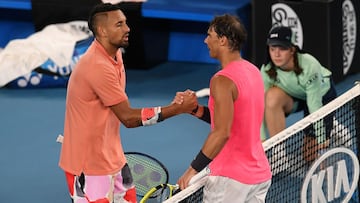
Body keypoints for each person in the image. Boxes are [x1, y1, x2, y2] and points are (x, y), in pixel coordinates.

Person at [58, 3, 197, 203]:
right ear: (102, 31)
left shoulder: (115, 55)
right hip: (87, 166)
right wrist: (177, 109)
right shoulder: (96, 66)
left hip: (113, 158)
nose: (127, 28)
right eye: (119, 25)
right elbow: (129, 118)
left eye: (126, 23)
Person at [175, 14, 272, 202]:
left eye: (209, 35)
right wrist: (196, 110)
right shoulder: (253, 70)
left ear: (222, 40)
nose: (205, 40)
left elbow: (221, 132)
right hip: (259, 175)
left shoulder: (222, 81)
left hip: (231, 180)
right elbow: (236, 120)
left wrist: (192, 170)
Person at [260, 26, 337, 162]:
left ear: (292, 49)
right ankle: (279, 155)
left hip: (321, 97)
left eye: (282, 48)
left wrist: (321, 138)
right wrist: (261, 139)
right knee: (270, 98)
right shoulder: (266, 70)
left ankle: (332, 126)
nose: (276, 54)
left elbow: (314, 106)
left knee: (311, 159)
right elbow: (260, 107)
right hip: (296, 97)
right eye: (272, 49)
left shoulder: (309, 66)